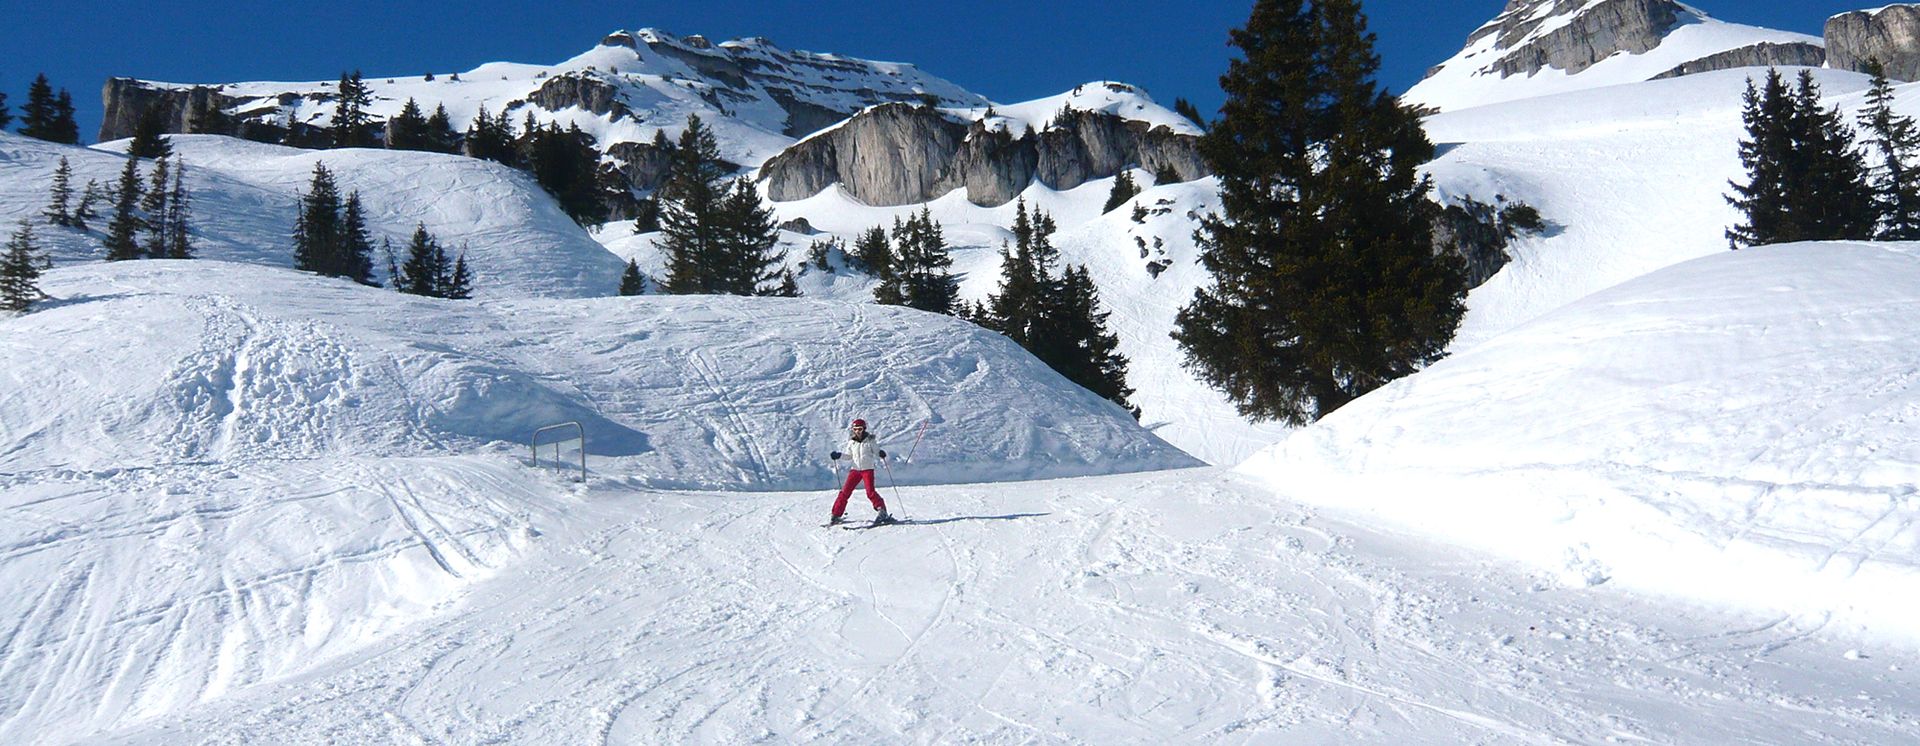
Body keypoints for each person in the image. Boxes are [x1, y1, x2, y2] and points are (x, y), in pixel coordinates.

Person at [828, 418, 891, 525]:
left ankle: (882, 511)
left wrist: (881, 453)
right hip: (855, 470)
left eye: (860, 429)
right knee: (845, 492)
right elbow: (849, 456)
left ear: (864, 429)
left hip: (867, 470)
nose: (857, 431)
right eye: (855, 429)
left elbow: (876, 451)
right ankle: (836, 515)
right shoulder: (852, 442)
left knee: (870, 492)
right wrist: (839, 455)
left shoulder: (870, 441)